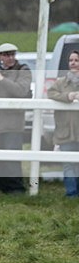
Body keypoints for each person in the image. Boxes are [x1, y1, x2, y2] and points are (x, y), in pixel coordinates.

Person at [0, 42, 32, 194]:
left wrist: (0, 79)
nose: (10, 58)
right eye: (6, 55)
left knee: (12, 158)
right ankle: (1, 187)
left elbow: (20, 91)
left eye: (12, 54)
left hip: (13, 123)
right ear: (0, 57)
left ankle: (16, 189)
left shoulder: (23, 70)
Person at [47, 50, 79, 197]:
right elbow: (50, 93)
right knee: (68, 163)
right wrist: (67, 96)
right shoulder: (60, 82)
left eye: (76, 60)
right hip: (65, 130)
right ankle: (71, 193)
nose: (73, 63)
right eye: (71, 60)